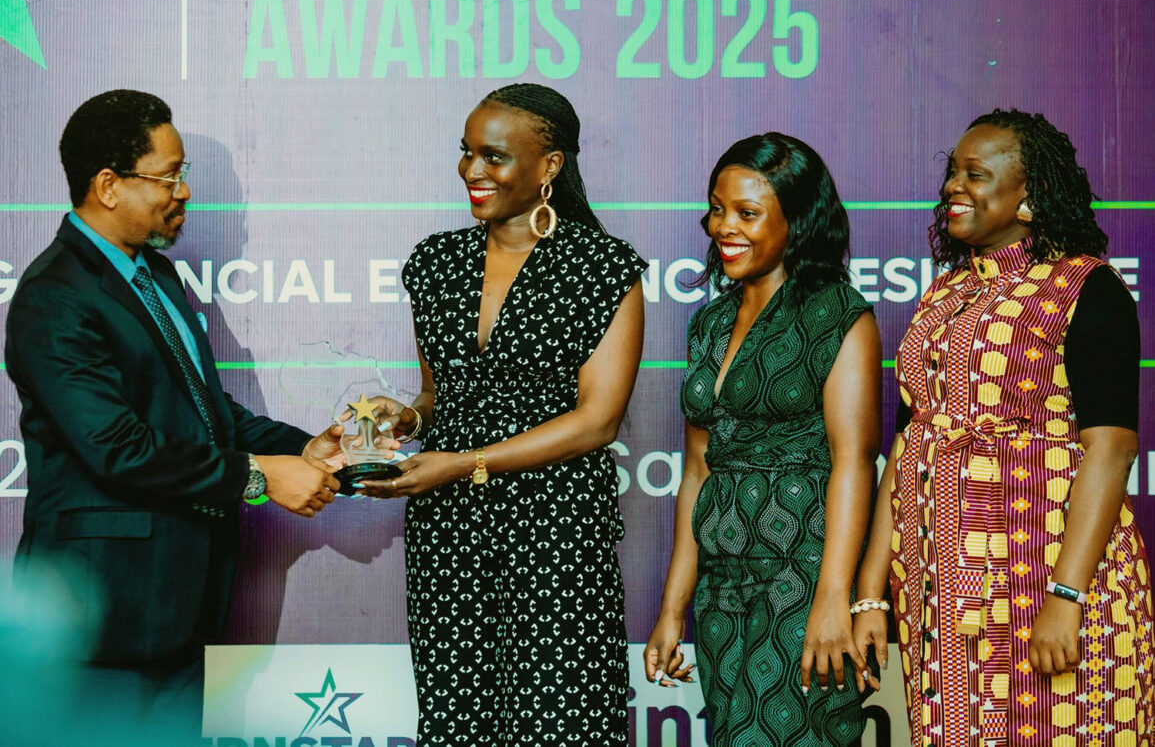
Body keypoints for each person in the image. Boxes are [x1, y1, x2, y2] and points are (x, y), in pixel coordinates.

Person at [4, 89, 346, 745]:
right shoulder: (54, 296)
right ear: (109, 185)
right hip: (104, 618)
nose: (184, 191)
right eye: (169, 176)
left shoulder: (155, 276)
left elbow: (206, 413)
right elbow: (118, 447)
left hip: (184, 609)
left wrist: (313, 451)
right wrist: (259, 477)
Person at [852, 109, 1153, 745]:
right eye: (951, 173)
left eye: (975, 174)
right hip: (941, 595)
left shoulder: (1087, 288)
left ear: (1029, 197)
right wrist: (872, 594)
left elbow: (1112, 448)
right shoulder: (940, 298)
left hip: (1047, 584)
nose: (953, 187)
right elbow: (907, 448)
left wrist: (1066, 596)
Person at [358, 83, 646, 745]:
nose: (472, 170)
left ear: (549, 166)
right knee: (458, 722)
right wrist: (406, 420)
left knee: (561, 722)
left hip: (556, 531)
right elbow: (438, 397)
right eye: (466, 152)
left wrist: (465, 463)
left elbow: (597, 420)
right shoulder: (436, 263)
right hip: (449, 533)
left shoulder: (601, 268)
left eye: (493, 156)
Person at [644, 133, 882, 746]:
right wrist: (672, 608)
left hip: (802, 573)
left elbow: (854, 463)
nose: (725, 227)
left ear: (796, 222)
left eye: (747, 213)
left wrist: (834, 598)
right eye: (717, 209)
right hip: (723, 585)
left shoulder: (838, 314)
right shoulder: (710, 321)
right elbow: (697, 471)